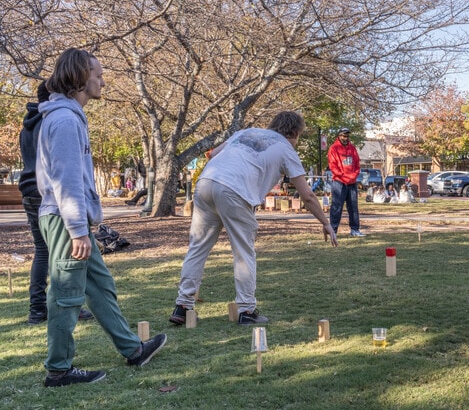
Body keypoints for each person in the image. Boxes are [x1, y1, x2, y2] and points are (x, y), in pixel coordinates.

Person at [36, 48, 166, 387]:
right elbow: (66, 182)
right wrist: (78, 230)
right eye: (98, 76)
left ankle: (133, 349)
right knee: (66, 295)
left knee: (100, 286)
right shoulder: (64, 120)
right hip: (67, 223)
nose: (103, 82)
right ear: (80, 78)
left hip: (72, 223)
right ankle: (59, 370)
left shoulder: (70, 116)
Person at [169, 111, 338, 326]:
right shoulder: (286, 148)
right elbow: (308, 195)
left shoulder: (246, 132)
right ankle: (247, 310)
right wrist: (325, 222)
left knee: (197, 247)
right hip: (234, 191)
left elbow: (212, 155)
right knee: (243, 252)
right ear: (295, 133)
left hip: (206, 183)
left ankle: (182, 306)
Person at [18, 81, 95, 326]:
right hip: (48, 191)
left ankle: (40, 308)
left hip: (30, 188)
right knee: (54, 252)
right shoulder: (55, 120)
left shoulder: (28, 124)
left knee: (45, 252)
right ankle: (52, 306)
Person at [327, 127, 365, 236]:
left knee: (353, 206)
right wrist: (343, 176)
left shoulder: (352, 148)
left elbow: (357, 164)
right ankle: (333, 231)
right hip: (339, 182)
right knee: (337, 206)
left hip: (352, 182)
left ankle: (355, 230)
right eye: (344, 135)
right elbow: (332, 165)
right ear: (339, 136)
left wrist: (353, 175)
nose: (346, 138)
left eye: (347, 136)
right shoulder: (333, 148)